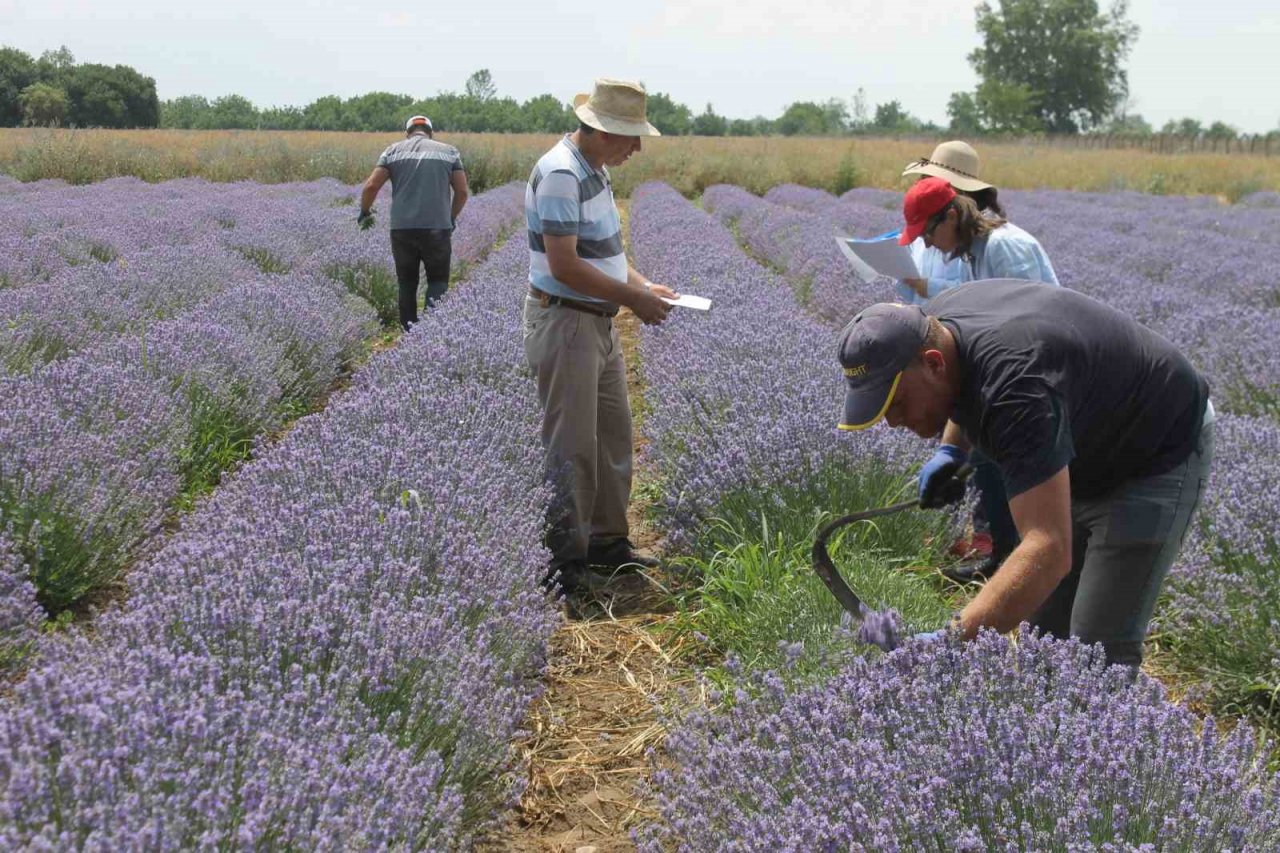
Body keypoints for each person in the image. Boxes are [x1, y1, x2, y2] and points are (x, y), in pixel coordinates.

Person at [835, 283, 1214, 670]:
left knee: (1097, 651)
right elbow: (964, 384)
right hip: (1082, 439)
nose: (895, 422)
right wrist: (953, 449)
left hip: (1154, 451)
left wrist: (950, 641)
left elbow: (1047, 548)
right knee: (1044, 637)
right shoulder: (936, 327)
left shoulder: (1016, 392)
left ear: (933, 363)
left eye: (897, 403)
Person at [523, 79, 679, 596]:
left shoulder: (596, 171)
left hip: (597, 322)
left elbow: (603, 252)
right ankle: (565, 563)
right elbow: (565, 265)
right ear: (600, 130)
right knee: (572, 446)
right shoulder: (562, 174)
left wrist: (639, 284)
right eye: (629, 137)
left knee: (613, 437)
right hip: (568, 320)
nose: (636, 147)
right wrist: (634, 301)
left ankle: (608, 545)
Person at [898, 175, 1060, 584]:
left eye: (929, 232)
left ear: (952, 215)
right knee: (986, 457)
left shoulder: (1006, 247)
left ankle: (1028, 570)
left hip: (1034, 371)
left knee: (1019, 467)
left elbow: (1030, 320)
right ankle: (1003, 558)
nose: (929, 244)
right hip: (999, 368)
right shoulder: (970, 251)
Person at [358, 115, 469, 332]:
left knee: (407, 282)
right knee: (438, 281)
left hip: (402, 228)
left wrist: (364, 211)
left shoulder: (392, 151)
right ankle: (431, 332)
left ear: (407, 132)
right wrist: (451, 217)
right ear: (430, 131)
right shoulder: (449, 152)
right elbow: (463, 191)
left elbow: (371, 186)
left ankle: (408, 333)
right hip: (437, 227)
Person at [896, 140, 1005, 305]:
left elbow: (983, 298)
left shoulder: (981, 239)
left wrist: (930, 287)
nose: (928, 185)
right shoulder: (930, 226)